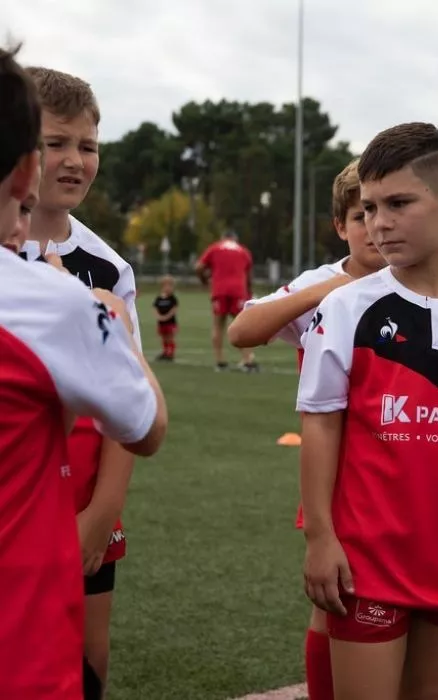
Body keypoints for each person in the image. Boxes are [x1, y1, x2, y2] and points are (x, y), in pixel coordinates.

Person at [297, 123, 438, 700]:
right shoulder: (349, 309)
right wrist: (321, 538)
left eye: (399, 203)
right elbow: (320, 424)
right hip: (367, 560)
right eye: (371, 207)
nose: (379, 222)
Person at [0, 44, 168, 700]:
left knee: (87, 658)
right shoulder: (49, 290)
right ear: (22, 159)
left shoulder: (107, 267)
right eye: (56, 142)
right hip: (26, 501)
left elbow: (125, 412)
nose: (74, 160)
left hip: (79, 494)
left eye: (89, 145)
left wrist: (103, 510)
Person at [228, 159, 386, 700]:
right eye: (360, 214)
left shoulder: (419, 281)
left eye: (385, 209)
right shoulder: (325, 282)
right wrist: (330, 291)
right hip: (338, 480)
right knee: (337, 604)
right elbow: (242, 329)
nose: (374, 225)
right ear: (341, 226)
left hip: (405, 473)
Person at [195, 231, 257, 371]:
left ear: (223, 238)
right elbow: (249, 276)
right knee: (242, 324)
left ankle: (220, 361)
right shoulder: (243, 251)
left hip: (219, 290)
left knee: (218, 325)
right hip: (238, 290)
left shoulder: (215, 248)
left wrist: (204, 280)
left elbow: (199, 267)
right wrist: (249, 291)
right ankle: (247, 360)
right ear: (235, 239)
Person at [152, 275, 179, 361]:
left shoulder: (172, 298)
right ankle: (165, 352)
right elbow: (155, 308)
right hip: (161, 323)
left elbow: (174, 310)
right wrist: (159, 317)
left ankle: (171, 353)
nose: (168, 288)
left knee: (170, 338)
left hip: (170, 322)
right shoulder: (159, 298)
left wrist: (166, 317)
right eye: (165, 285)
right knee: (164, 338)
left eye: (170, 286)